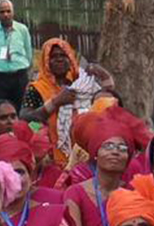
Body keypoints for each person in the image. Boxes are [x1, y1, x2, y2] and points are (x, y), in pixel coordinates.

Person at [22, 38, 115, 168]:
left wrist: (103, 75)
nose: (59, 59)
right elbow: (26, 118)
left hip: (83, 154)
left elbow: (106, 98)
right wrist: (55, 102)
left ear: (70, 58)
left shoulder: (81, 83)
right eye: (53, 56)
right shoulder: (36, 88)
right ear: (45, 61)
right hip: (51, 158)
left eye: (63, 55)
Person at [0, 0, 33, 111]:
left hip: (19, 77)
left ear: (13, 12)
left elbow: (28, 53)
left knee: (22, 109)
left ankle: (20, 129)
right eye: (2, 12)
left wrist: (22, 66)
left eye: (8, 11)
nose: (6, 14)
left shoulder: (22, 29)